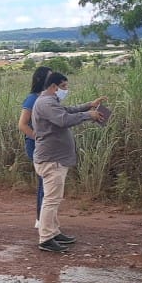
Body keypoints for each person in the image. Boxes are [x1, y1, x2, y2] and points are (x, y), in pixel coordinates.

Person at [31, 72, 105, 253]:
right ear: (53, 87)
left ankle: (53, 232)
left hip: (55, 159)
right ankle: (46, 238)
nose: (66, 90)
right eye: (63, 87)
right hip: (51, 160)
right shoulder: (46, 103)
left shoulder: (49, 102)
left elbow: (68, 110)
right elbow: (64, 119)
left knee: (54, 199)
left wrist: (89, 106)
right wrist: (89, 115)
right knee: (51, 199)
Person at [18, 66, 53, 230]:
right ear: (41, 80)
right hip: (36, 146)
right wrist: (38, 138)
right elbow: (22, 125)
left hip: (45, 146)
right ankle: (42, 220)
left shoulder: (48, 98)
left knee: (46, 183)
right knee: (45, 182)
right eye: (50, 77)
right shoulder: (32, 99)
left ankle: (43, 219)